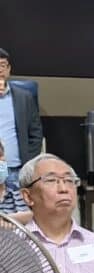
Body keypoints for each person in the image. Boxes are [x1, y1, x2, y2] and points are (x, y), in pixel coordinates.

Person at [0, 48, 43, 194]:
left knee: (18, 214)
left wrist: (28, 162)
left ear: (9, 69)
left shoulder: (24, 97)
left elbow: (36, 133)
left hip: (16, 170)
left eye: (2, 65)